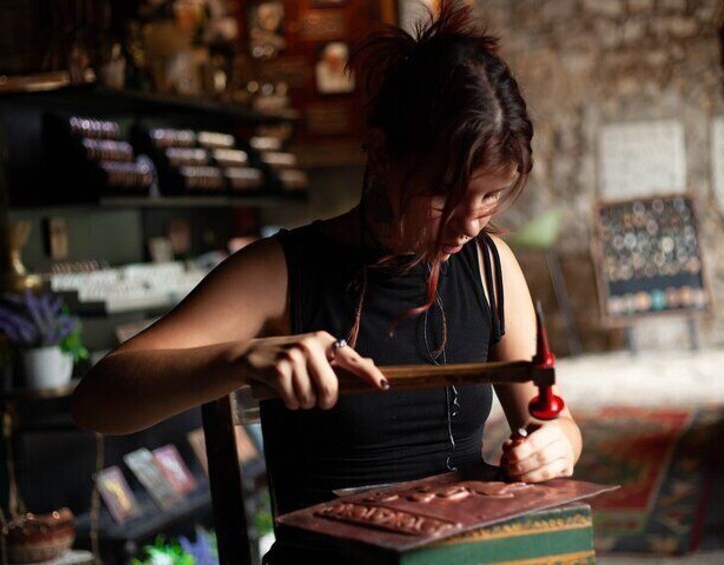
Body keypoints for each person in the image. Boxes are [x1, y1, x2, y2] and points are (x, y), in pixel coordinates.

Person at [72, 1, 582, 562]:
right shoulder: (281, 273)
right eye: (444, 195)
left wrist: (555, 446)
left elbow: (553, 419)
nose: (469, 223)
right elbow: (98, 402)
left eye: (489, 197)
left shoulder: (490, 266)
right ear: (384, 155)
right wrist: (242, 357)